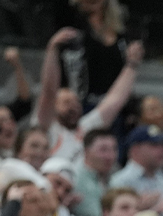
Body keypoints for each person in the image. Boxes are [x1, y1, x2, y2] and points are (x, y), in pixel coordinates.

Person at [35, 28, 141, 164]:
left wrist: (132, 65)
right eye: (66, 102)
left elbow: (114, 100)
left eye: (76, 102)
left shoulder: (86, 128)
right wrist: (52, 49)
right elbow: (49, 91)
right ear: (53, 108)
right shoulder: (46, 128)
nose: (73, 106)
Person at [71, 129, 119, 216]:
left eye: (114, 149)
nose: (110, 156)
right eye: (103, 150)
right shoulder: (76, 178)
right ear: (87, 152)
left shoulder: (111, 175)